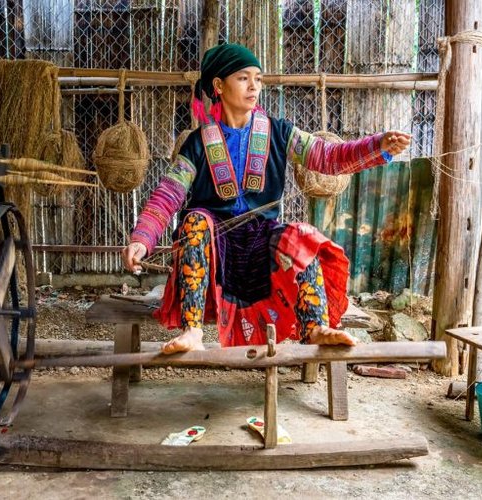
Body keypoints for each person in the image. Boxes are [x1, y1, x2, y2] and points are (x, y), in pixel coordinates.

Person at [122, 43, 411, 354]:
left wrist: (378, 146)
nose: (254, 86)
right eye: (243, 78)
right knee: (194, 222)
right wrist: (143, 238)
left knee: (302, 236)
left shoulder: (278, 132)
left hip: (261, 243)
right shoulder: (196, 144)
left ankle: (314, 327)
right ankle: (192, 332)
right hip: (213, 248)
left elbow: (329, 158)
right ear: (219, 86)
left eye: (258, 78)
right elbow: (168, 194)